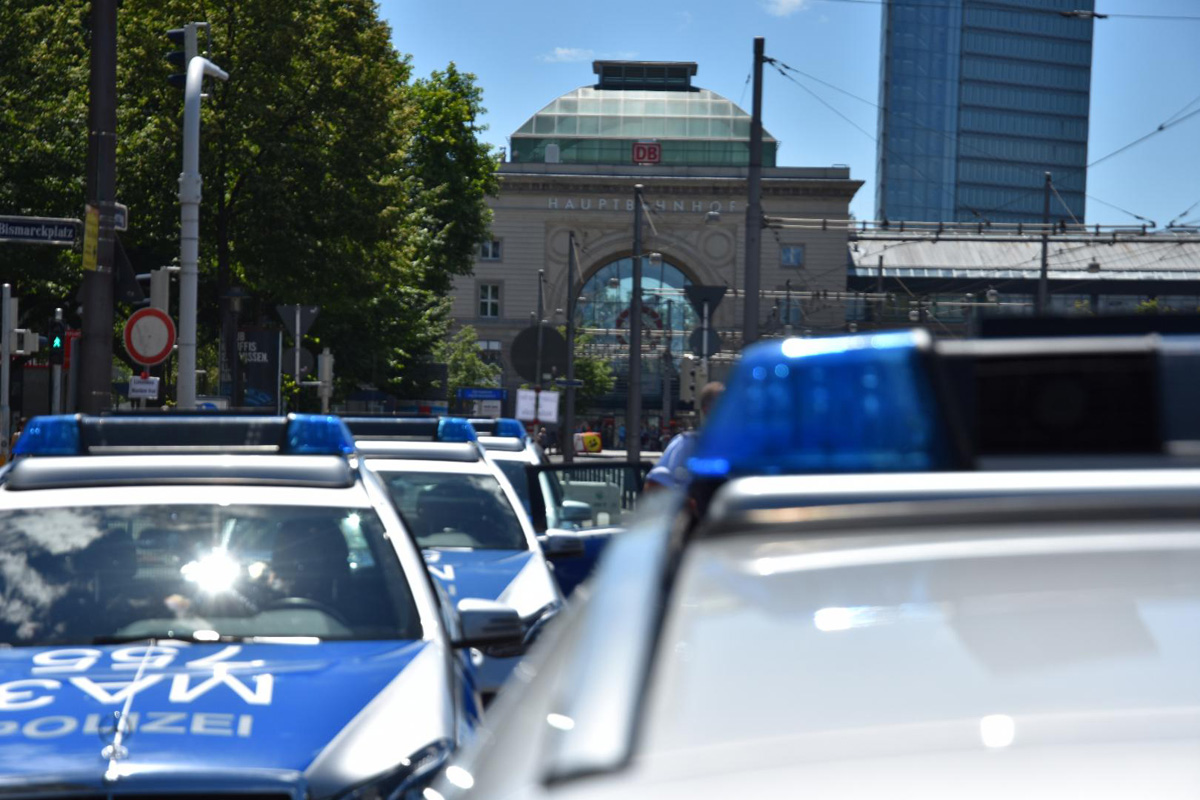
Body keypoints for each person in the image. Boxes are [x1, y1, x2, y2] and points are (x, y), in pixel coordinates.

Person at [644, 382, 724, 492]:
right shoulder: (687, 445)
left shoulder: (748, 449)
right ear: (708, 409)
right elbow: (656, 487)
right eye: (725, 404)